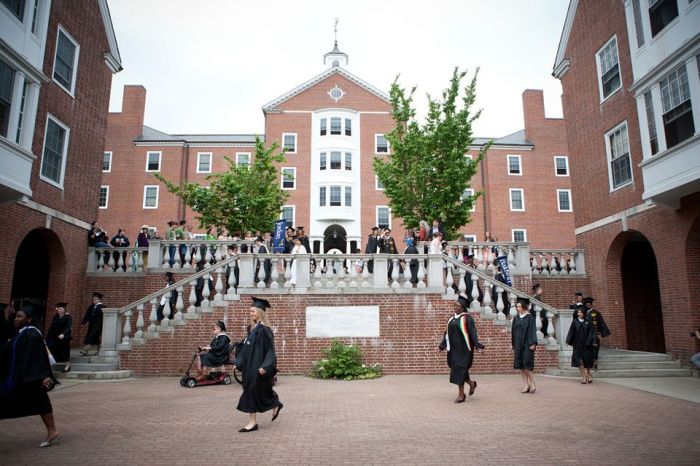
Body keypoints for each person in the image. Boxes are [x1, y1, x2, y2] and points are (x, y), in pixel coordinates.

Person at [0, 306, 61, 447]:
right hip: (20, 375)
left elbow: (38, 357)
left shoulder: (31, 334)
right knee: (40, 401)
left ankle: (52, 431)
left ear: (29, 318)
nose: (16, 319)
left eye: (19, 316)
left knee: (41, 401)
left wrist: (44, 376)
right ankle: (52, 431)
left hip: (29, 376)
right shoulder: (21, 333)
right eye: (15, 316)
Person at [234, 297, 283, 432]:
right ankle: (275, 403)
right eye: (250, 311)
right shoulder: (252, 329)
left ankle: (252, 422)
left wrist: (266, 366)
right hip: (249, 366)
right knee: (256, 390)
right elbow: (246, 347)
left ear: (260, 312)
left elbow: (270, 350)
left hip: (258, 366)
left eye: (253, 311)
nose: (251, 314)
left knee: (251, 391)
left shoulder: (265, 330)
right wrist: (238, 362)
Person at [439, 294, 484, 402]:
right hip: (454, 350)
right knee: (459, 370)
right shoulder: (452, 319)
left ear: (463, 307)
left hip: (465, 350)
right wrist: (442, 345)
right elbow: (447, 334)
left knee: (460, 370)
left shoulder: (467, 319)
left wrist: (478, 346)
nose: (455, 308)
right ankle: (472, 383)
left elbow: (473, 333)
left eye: (458, 306)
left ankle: (461, 395)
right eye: (454, 306)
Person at [512, 298, 537, 393]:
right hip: (518, 344)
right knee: (521, 366)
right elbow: (513, 332)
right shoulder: (516, 318)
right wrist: (513, 344)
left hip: (527, 344)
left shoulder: (530, 318)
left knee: (527, 365)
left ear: (524, 307)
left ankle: (532, 383)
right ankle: (526, 385)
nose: (518, 308)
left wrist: (533, 343)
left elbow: (532, 331)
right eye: (517, 306)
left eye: (519, 306)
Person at [566, 305, 596, 384]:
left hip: (586, 344)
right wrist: (568, 341)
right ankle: (583, 377)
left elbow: (592, 332)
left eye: (580, 312)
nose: (579, 313)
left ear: (584, 313)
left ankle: (589, 374)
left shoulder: (588, 321)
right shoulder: (575, 321)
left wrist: (589, 341)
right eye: (578, 312)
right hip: (577, 344)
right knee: (579, 361)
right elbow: (571, 332)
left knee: (587, 361)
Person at [583, 297, 610, 370]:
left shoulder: (596, 313)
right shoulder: (583, 313)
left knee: (595, 348)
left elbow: (601, 323)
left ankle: (595, 361)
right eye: (586, 305)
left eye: (589, 305)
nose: (588, 306)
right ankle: (589, 362)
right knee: (588, 349)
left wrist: (602, 334)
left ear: (592, 305)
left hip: (595, 334)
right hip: (586, 335)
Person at [45, 303, 72, 373]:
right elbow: (52, 327)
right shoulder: (55, 317)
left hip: (63, 337)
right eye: (58, 309)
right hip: (55, 337)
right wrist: (48, 337)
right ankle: (49, 367)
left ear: (64, 309)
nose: (58, 310)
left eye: (60, 309)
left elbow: (69, 327)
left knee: (65, 351)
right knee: (52, 350)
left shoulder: (68, 317)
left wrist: (63, 334)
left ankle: (67, 366)